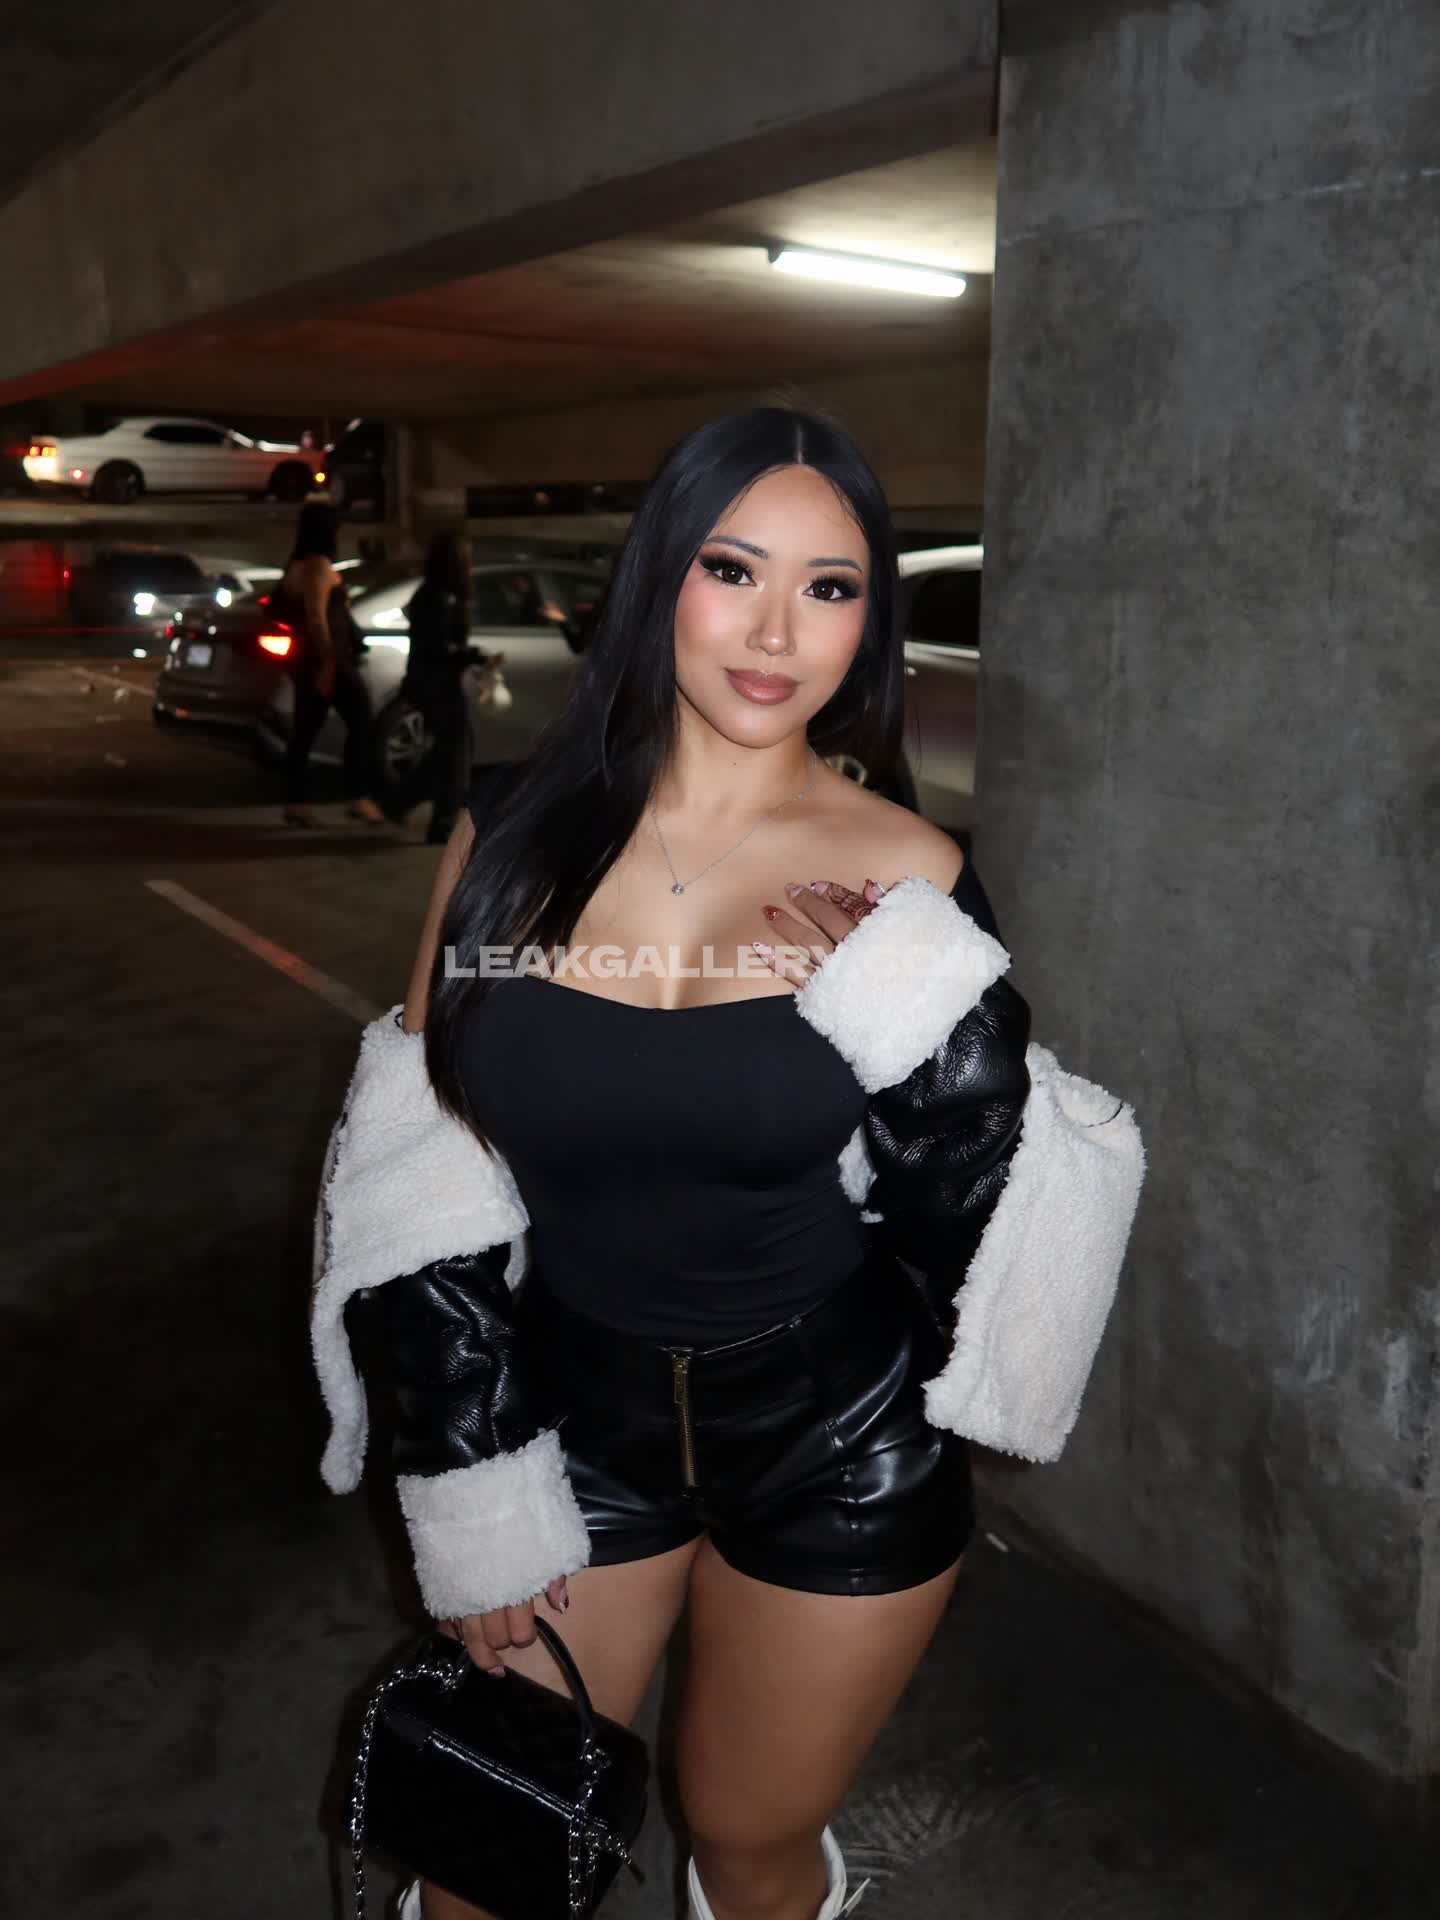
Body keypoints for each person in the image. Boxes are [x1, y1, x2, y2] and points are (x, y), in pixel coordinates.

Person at [310, 408, 1139, 1920]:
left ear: (868, 621)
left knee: (751, 1842)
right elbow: (417, 1162)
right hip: (569, 1424)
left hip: (842, 1436)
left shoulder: (909, 874)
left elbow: (995, 1239)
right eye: (733, 569)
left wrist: (930, 1032)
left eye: (831, 588)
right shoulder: (510, 835)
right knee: (487, 1869)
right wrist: (469, 1465)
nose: (776, 632)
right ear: (658, 579)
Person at [267, 502, 385, 829]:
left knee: (305, 731)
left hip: (309, 660)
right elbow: (317, 618)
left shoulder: (296, 566)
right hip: (327, 659)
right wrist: (330, 663)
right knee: (360, 718)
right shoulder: (317, 566)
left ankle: (296, 802)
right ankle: (359, 796)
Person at [400, 531, 505, 845]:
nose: (471, 565)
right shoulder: (440, 599)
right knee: (455, 754)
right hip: (437, 685)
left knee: (447, 751)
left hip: (430, 682)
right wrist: (475, 656)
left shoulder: (431, 595)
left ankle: (401, 802)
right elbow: (440, 648)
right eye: (467, 558)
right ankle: (442, 821)